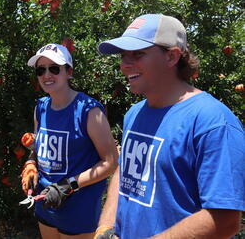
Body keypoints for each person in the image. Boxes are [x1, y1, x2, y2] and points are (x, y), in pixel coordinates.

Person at [95, 13, 244, 239]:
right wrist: (104, 228)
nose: (125, 65)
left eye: (138, 54)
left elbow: (225, 220)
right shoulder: (135, 114)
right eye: (123, 55)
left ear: (172, 56)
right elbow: (125, 173)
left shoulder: (212, 122)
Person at [21, 43, 119, 238]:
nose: (47, 75)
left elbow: (111, 162)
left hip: (78, 210)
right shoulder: (40, 107)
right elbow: (38, 149)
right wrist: (31, 162)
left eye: (54, 68)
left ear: (69, 72)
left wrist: (68, 186)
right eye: (41, 70)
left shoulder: (89, 111)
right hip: (45, 202)